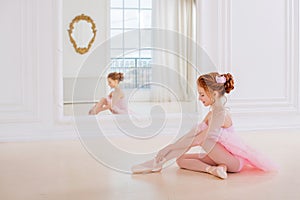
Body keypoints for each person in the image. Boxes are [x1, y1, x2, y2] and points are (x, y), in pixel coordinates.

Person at [131, 72, 277, 179]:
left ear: (213, 94)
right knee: (181, 160)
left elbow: (199, 139)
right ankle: (213, 170)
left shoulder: (221, 114)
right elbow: (193, 134)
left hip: (233, 161)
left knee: (206, 140)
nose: (199, 98)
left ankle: (158, 162)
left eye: (202, 94)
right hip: (219, 156)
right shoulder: (212, 112)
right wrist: (167, 151)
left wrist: (168, 150)